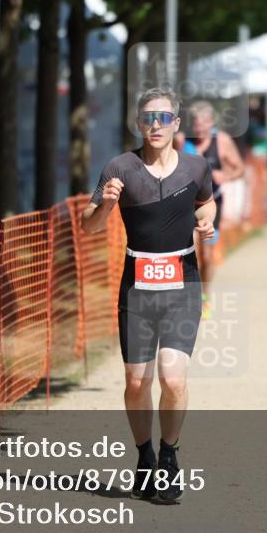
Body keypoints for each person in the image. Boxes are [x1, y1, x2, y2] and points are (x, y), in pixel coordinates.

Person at [81, 87, 216, 504]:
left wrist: (206, 223)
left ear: (177, 123)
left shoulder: (196, 166)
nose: (155, 125)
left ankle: (170, 456)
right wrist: (105, 205)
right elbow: (89, 226)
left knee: (172, 378)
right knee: (136, 381)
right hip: (136, 286)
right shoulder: (119, 167)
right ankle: (144, 456)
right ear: (139, 124)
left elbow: (206, 203)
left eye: (163, 118)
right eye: (148, 118)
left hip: (182, 282)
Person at [186, 100, 245, 287]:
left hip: (212, 204)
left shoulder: (221, 141)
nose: (199, 127)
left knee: (207, 255)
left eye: (203, 123)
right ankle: (190, 295)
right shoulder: (181, 141)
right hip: (186, 205)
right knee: (190, 253)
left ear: (211, 122)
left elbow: (240, 169)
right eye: (195, 123)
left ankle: (205, 293)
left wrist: (225, 175)